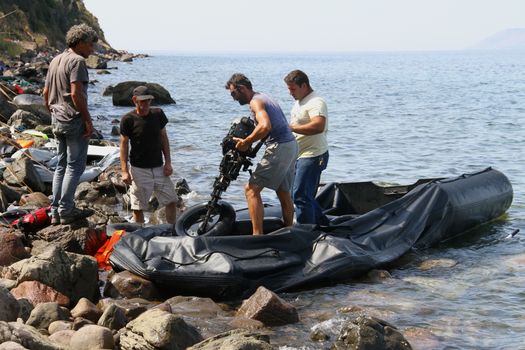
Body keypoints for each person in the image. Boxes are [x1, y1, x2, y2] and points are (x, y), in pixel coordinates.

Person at [225, 73, 298, 235]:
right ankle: (290, 232)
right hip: (291, 146)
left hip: (280, 146)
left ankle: (257, 236)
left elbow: (265, 126)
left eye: (233, 94)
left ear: (242, 88)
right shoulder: (264, 97)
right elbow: (268, 130)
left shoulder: (255, 102)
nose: (233, 98)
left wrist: (246, 142)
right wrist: (252, 148)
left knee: (251, 190)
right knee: (283, 192)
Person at [43, 24, 98, 225]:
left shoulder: (56, 59)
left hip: (57, 118)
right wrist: (87, 120)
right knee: (75, 166)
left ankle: (55, 211)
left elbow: (45, 93)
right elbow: (76, 94)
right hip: (72, 119)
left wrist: (51, 112)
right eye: (91, 45)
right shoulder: (77, 61)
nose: (92, 49)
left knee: (61, 164)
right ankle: (66, 209)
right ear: (81, 42)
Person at [119, 85, 178, 224]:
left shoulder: (158, 114)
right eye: (142, 101)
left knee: (171, 200)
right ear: (135, 100)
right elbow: (123, 144)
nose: (146, 104)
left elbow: (164, 138)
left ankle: (172, 230)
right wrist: (124, 171)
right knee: (138, 207)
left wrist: (168, 163)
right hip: (139, 170)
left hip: (159, 168)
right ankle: (140, 234)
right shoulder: (128, 119)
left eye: (148, 101)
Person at [284, 70, 329, 225]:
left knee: (300, 195)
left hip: (313, 155)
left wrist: (291, 128)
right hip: (299, 154)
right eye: (289, 89)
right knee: (298, 195)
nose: (290, 93)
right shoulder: (300, 100)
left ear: (304, 85)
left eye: (292, 89)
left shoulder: (316, 102)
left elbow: (318, 126)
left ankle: (306, 234)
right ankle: (323, 226)